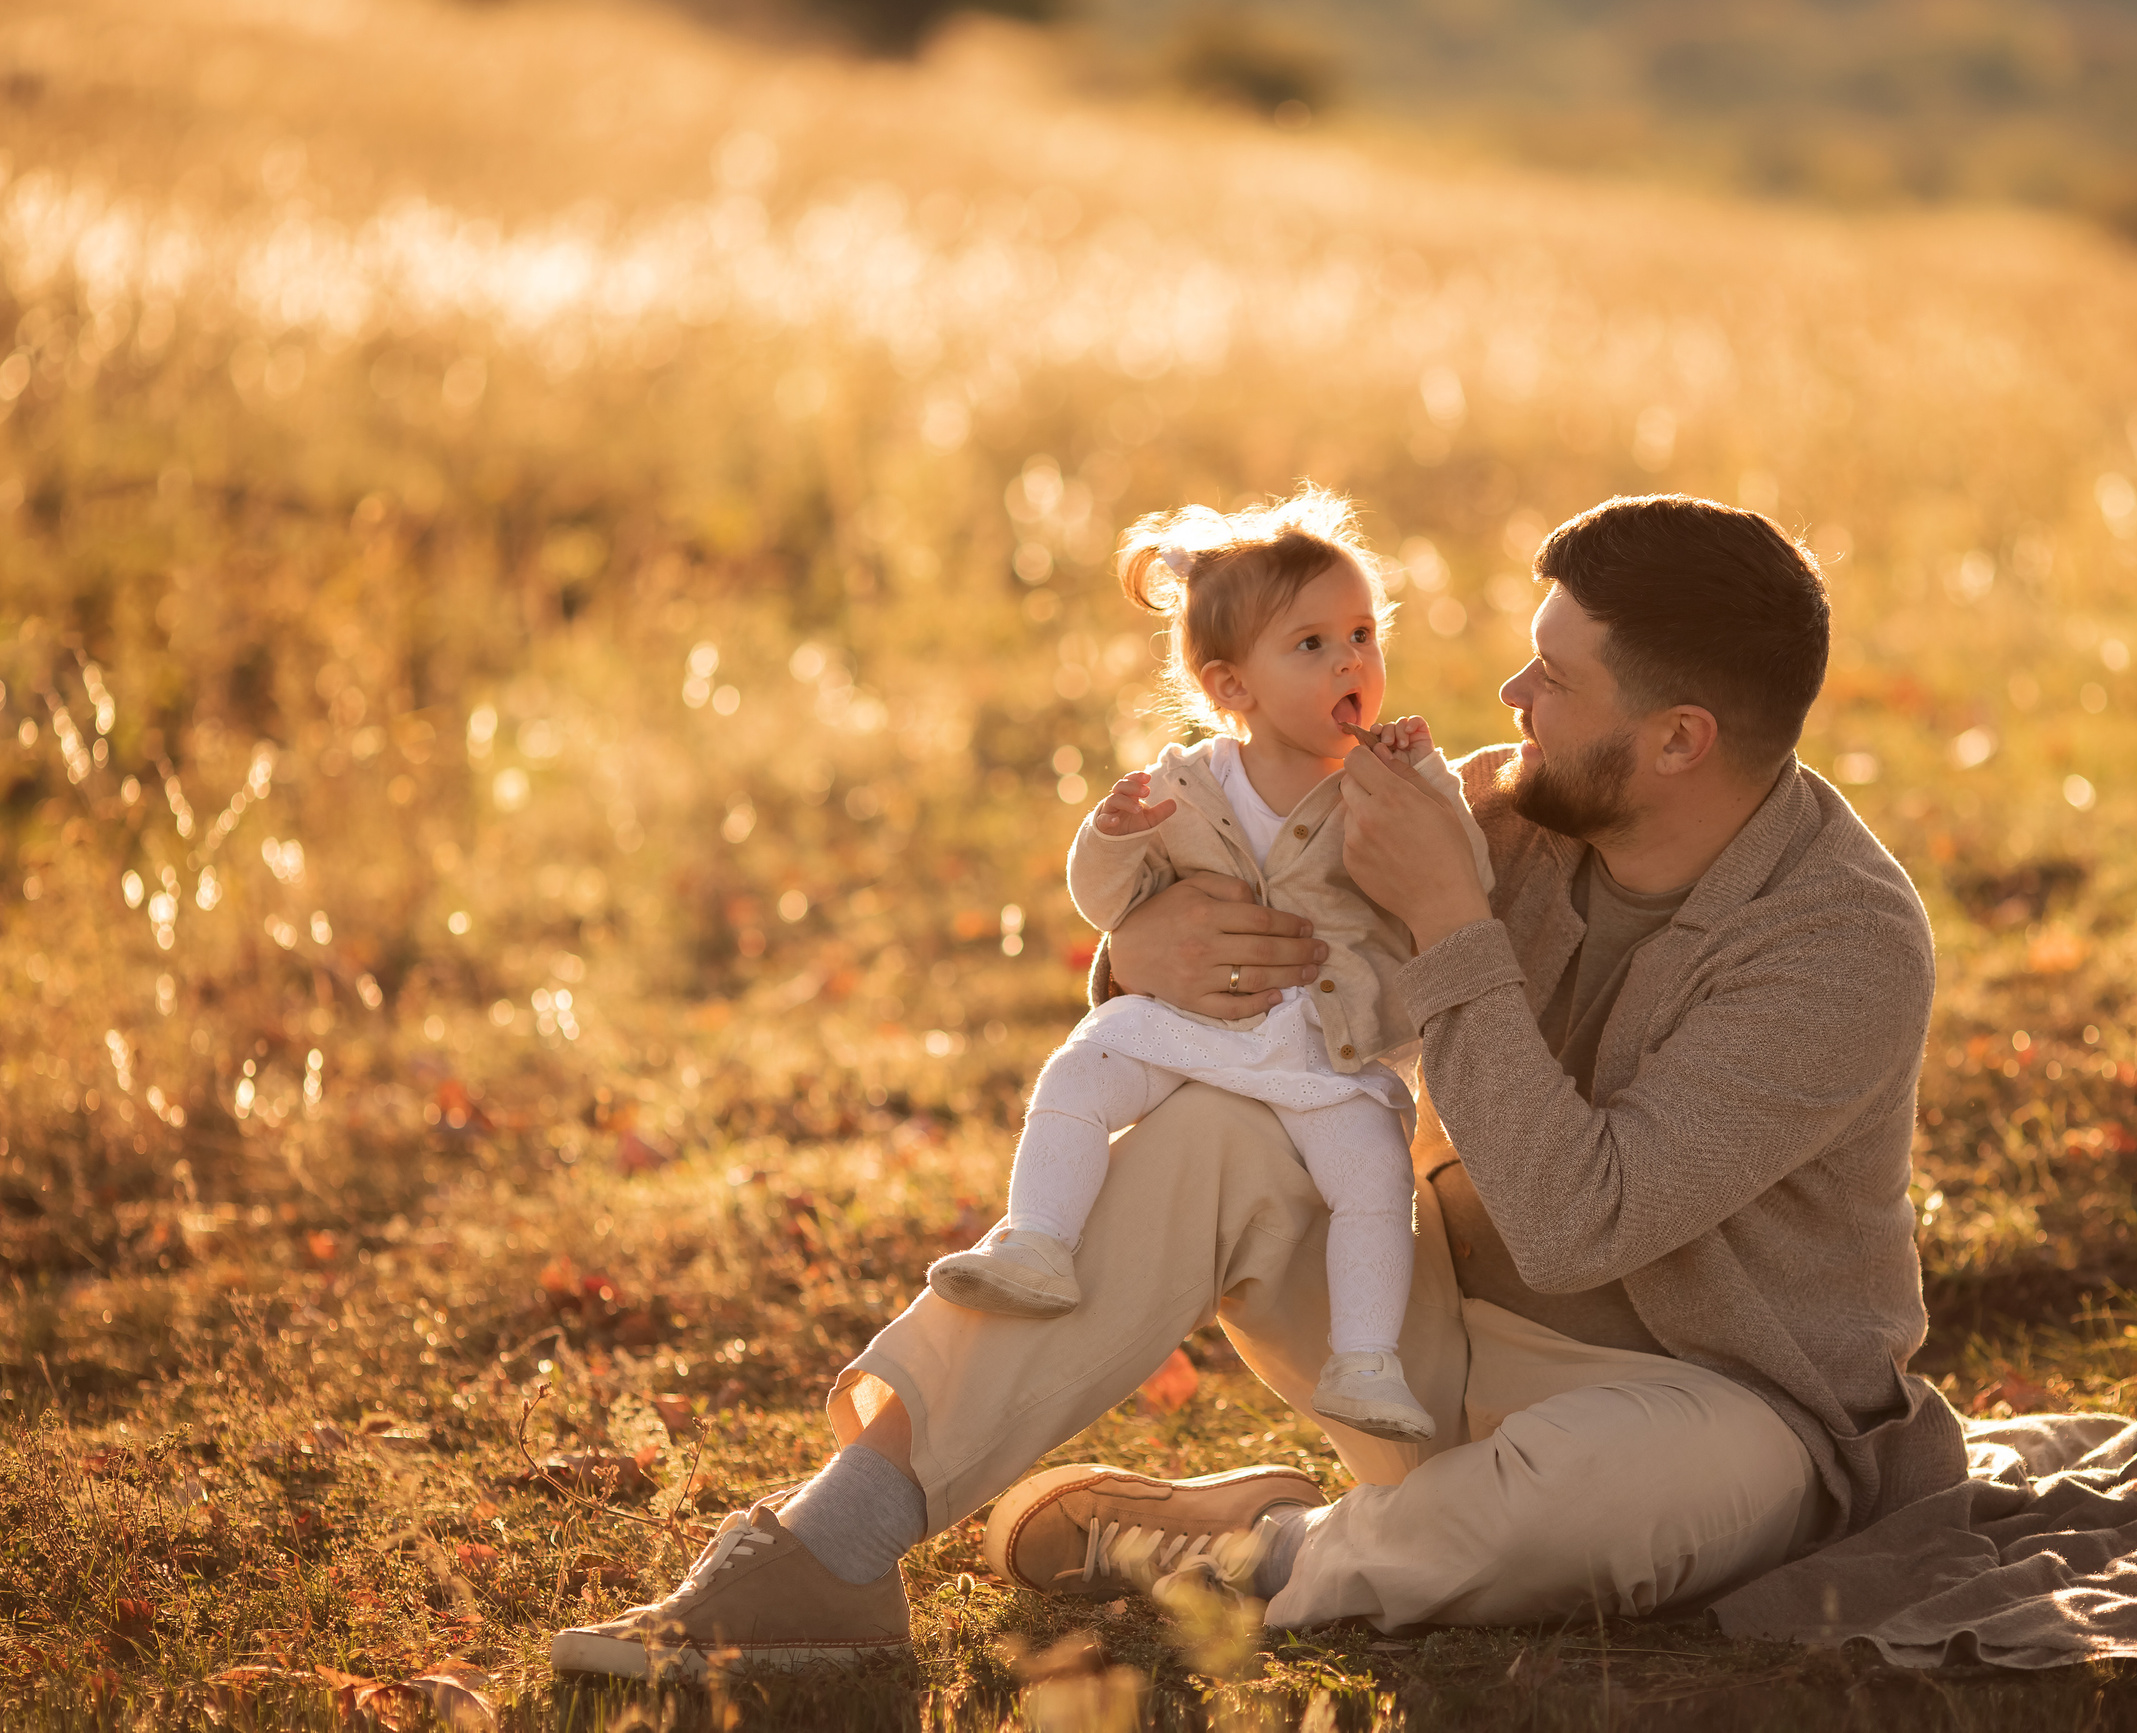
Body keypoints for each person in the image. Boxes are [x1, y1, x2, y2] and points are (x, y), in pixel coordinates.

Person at [550, 492, 1966, 1680]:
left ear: (1679, 740)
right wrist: (1140, 953)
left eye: (1556, 679)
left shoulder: (1839, 943)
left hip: (1717, 1414)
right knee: (1217, 1122)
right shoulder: (1507, 803)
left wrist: (1451, 928)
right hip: (1435, 1344)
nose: (1508, 698)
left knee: (1565, 1514)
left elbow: (1581, 1225)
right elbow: (1262, 941)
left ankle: (1242, 1553)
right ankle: (830, 1552)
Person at [923, 487, 1492, 1447]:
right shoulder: (1185, 787)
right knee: (1086, 1063)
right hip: (1201, 1028)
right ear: (1232, 688)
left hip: (1327, 1047)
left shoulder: (1380, 788)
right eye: (1311, 644)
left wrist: (1429, 787)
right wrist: (1110, 836)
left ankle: (1365, 1359)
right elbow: (1108, 904)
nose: (1352, 659)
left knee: (1371, 1178)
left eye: (1363, 633)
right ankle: (1040, 1239)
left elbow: (1461, 888)